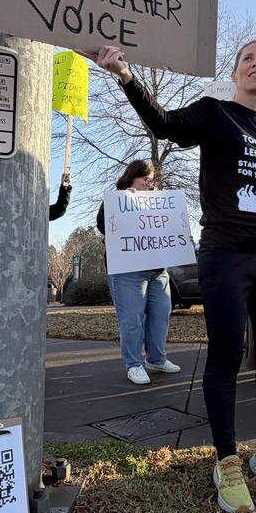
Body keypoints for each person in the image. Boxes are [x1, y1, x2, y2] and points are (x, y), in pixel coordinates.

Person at [87, 40, 256, 513]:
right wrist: (126, 75)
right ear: (235, 73)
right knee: (227, 356)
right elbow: (165, 124)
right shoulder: (215, 113)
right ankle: (228, 460)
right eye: (249, 58)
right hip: (227, 255)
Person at [95, 159, 179, 385]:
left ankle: (157, 359)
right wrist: (123, 199)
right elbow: (102, 226)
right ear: (132, 177)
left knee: (161, 314)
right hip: (127, 270)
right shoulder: (115, 199)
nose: (149, 183)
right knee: (132, 318)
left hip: (157, 269)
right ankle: (134, 364)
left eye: (152, 179)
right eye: (145, 178)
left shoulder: (158, 200)